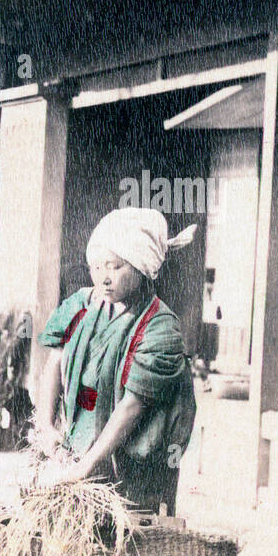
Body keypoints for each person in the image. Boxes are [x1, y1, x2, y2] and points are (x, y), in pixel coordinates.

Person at [32, 208, 198, 514]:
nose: (103, 279)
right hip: (77, 441)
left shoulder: (160, 328)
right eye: (97, 267)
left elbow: (132, 406)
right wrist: (46, 427)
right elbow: (54, 362)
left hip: (132, 459)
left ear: (141, 267)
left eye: (115, 267)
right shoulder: (82, 303)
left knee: (124, 540)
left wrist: (86, 469)